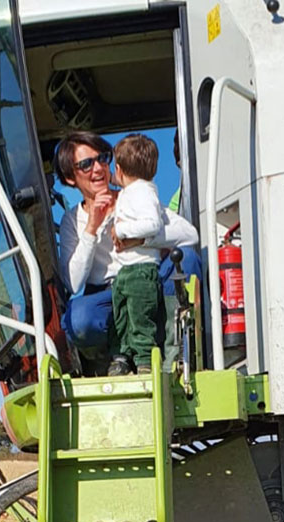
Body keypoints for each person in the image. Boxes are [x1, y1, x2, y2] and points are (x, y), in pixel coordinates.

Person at [54, 131, 201, 375]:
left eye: (103, 158)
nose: (99, 169)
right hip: (108, 295)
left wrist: (139, 237)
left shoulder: (133, 196)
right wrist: (92, 227)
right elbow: (73, 281)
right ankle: (117, 358)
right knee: (77, 318)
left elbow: (189, 234)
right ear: (71, 178)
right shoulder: (72, 220)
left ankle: (175, 351)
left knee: (186, 259)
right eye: (86, 164)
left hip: (146, 282)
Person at [108, 134, 163, 376]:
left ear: (118, 170)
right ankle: (124, 357)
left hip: (141, 268)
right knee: (123, 317)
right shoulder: (130, 193)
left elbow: (153, 224)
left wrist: (120, 230)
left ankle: (144, 361)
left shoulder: (143, 192)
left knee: (141, 317)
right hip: (125, 269)